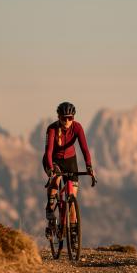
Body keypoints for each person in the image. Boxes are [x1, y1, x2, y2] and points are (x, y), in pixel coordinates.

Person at [43, 101, 94, 236]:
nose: (67, 121)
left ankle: (72, 232)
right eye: (64, 118)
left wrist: (89, 166)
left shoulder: (77, 128)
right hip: (54, 160)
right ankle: (50, 206)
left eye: (70, 118)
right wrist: (51, 169)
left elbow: (84, 149)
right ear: (58, 117)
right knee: (57, 177)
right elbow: (48, 152)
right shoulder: (52, 129)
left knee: (72, 198)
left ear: (73, 118)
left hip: (71, 161)